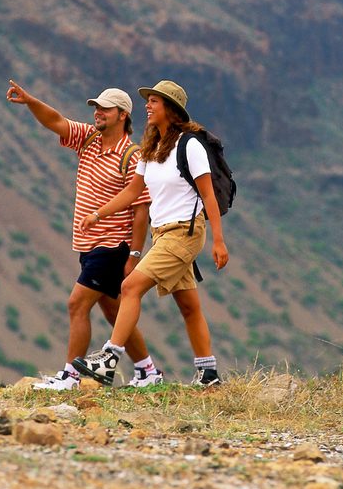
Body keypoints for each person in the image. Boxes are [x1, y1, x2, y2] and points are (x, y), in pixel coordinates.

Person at [6, 80, 163, 390]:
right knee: (113, 309)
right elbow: (57, 122)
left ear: (122, 115)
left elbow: (141, 210)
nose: (98, 113)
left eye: (105, 109)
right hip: (89, 246)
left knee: (77, 304)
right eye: (96, 108)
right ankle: (148, 370)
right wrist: (30, 101)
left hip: (113, 245)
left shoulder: (132, 156)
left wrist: (134, 254)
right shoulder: (89, 139)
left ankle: (70, 376)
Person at [73, 80, 229, 387]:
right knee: (188, 305)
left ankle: (109, 357)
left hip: (184, 233)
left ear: (170, 109)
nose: (147, 105)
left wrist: (219, 241)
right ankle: (207, 372)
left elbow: (208, 196)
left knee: (130, 287)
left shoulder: (190, 145)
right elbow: (133, 191)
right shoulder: (151, 148)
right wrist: (97, 214)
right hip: (162, 235)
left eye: (154, 101)